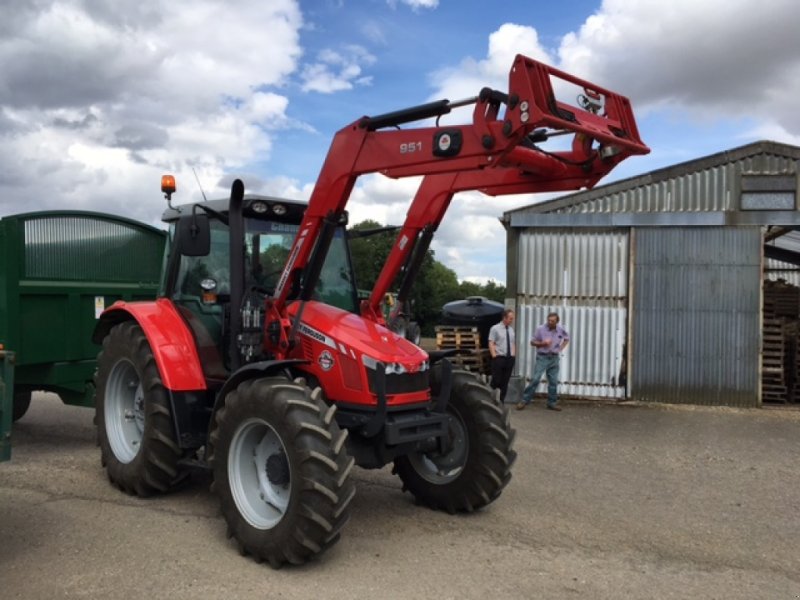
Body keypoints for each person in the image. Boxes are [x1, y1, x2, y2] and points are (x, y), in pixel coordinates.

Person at [517, 312, 570, 411]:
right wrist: (542, 343)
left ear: (557, 322)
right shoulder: (540, 329)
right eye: (548, 320)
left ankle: (552, 403)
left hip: (554, 358)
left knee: (553, 381)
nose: (550, 322)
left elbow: (567, 338)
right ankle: (524, 400)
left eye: (552, 321)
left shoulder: (560, 329)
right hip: (542, 357)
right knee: (536, 379)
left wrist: (560, 348)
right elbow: (532, 342)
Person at [487, 309, 515, 403]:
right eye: (510, 319)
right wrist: (494, 356)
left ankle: (501, 401)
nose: (512, 320)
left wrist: (513, 355)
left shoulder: (511, 330)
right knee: (496, 380)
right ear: (504, 318)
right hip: (499, 357)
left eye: (512, 319)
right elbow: (491, 342)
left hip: (509, 358)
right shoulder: (495, 328)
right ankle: (490, 399)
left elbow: (512, 343)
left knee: (505, 381)